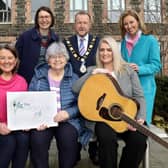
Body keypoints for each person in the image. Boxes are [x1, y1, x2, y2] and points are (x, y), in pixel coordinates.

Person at [73, 36, 147, 168]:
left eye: (109, 50)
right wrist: (94, 73)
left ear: (115, 51)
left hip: (128, 116)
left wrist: (140, 118)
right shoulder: (92, 70)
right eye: (102, 50)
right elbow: (75, 88)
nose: (105, 53)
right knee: (106, 139)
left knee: (139, 140)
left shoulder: (128, 70)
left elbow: (139, 96)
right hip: (103, 120)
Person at [28, 41, 91, 168]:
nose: (57, 59)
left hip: (68, 120)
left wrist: (68, 113)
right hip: (43, 120)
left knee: (68, 140)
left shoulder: (74, 78)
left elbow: (81, 105)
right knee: (37, 140)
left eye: (61, 56)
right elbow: (30, 100)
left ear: (66, 59)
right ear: (48, 60)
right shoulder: (38, 77)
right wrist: (35, 120)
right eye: (53, 56)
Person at [64, 10, 100, 165]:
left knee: (93, 118)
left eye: (85, 22)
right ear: (74, 25)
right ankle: (75, 152)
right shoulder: (66, 43)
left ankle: (94, 151)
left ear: (89, 24)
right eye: (79, 22)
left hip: (93, 88)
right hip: (73, 88)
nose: (82, 25)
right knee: (75, 120)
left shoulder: (98, 42)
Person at [119, 9, 161, 125]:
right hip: (127, 90)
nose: (129, 26)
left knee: (142, 123)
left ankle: (145, 143)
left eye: (131, 22)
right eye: (126, 24)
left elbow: (156, 65)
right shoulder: (123, 42)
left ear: (138, 21)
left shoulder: (150, 40)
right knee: (128, 124)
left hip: (145, 89)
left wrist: (140, 68)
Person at [0, 44, 29, 168]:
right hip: (1, 127)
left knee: (24, 139)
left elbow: (26, 107)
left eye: (10, 58)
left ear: (16, 60)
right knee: (8, 142)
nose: (6, 61)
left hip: (17, 127)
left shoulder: (22, 81)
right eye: (2, 58)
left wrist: (28, 122)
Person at [15, 6, 59, 84]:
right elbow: (16, 58)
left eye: (47, 17)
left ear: (51, 19)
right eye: (41, 17)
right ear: (37, 20)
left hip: (48, 80)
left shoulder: (56, 39)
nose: (44, 20)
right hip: (28, 79)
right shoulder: (25, 37)